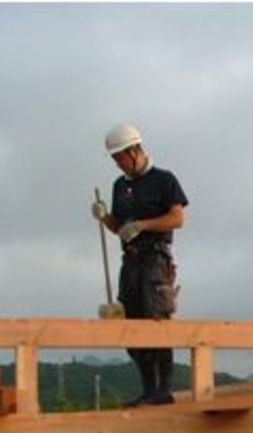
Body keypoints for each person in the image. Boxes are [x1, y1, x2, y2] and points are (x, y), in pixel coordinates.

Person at [91, 123, 188, 406]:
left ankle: (163, 390)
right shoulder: (120, 186)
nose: (118, 164)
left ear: (134, 150)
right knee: (131, 324)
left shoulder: (163, 180)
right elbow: (120, 228)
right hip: (130, 261)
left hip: (155, 259)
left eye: (120, 158)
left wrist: (143, 225)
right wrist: (105, 217)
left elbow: (177, 219)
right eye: (114, 160)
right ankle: (149, 389)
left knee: (155, 320)